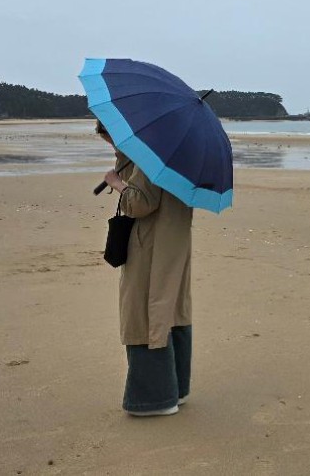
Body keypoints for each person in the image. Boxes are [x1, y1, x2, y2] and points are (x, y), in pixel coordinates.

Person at [97, 120, 194, 416]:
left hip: (150, 246)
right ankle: (176, 389)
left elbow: (141, 203)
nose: (111, 144)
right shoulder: (171, 153)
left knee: (144, 310)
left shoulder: (148, 155)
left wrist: (116, 183)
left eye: (110, 138)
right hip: (172, 242)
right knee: (171, 308)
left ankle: (155, 398)